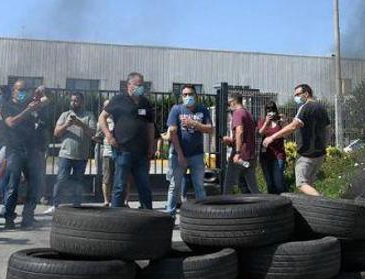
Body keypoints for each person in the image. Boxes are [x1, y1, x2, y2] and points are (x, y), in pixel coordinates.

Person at [99, 72, 155, 209]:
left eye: (142, 85)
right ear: (128, 85)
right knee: (120, 185)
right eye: (138, 85)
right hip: (123, 150)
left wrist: (151, 146)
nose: (140, 88)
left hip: (141, 152)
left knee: (144, 185)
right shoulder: (119, 99)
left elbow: (150, 125)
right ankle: (116, 216)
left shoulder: (145, 103)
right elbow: (102, 118)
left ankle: (148, 214)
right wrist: (109, 136)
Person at [262, 84, 329, 196]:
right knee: (309, 184)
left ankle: (324, 204)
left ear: (306, 94)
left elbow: (293, 126)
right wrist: (324, 146)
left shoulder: (305, 107)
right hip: (320, 154)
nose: (296, 97)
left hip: (306, 154)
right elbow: (328, 130)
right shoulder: (321, 108)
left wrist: (272, 137)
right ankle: (314, 209)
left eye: (298, 94)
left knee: (301, 183)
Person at [1, 80, 49, 229]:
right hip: (15, 150)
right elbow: (11, 123)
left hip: (32, 150)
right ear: (14, 90)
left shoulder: (30, 104)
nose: (23, 92)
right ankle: (9, 218)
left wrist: (41, 95)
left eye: (26, 89)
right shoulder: (7, 106)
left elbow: (46, 101)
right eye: (20, 89)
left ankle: (28, 217)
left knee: (34, 184)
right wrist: (27, 111)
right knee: (13, 185)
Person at [164, 85, 212, 216]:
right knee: (174, 186)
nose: (187, 97)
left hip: (197, 154)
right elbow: (172, 132)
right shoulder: (176, 109)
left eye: (190, 94)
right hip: (178, 154)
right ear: (181, 97)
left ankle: (204, 214)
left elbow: (210, 129)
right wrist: (180, 155)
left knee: (199, 186)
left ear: (195, 95)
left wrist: (195, 124)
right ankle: (169, 215)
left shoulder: (202, 110)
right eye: (184, 95)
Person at [48, 93, 95, 213]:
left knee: (78, 181)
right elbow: (56, 133)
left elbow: (92, 133)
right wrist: (66, 125)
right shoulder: (65, 115)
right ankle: (56, 204)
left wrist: (80, 124)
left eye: (77, 101)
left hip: (81, 155)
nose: (74, 103)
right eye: (72, 101)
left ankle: (76, 205)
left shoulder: (89, 115)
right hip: (65, 154)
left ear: (82, 102)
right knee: (61, 179)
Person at [222, 93, 259, 195]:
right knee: (253, 187)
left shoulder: (237, 113)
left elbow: (240, 131)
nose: (229, 107)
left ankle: (224, 209)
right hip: (249, 155)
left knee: (228, 186)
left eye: (229, 104)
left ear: (233, 102)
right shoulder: (248, 113)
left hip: (240, 156)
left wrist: (237, 153)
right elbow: (245, 135)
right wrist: (231, 140)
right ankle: (265, 207)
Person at [258, 102, 286, 194]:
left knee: (278, 181)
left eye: (273, 109)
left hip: (278, 155)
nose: (271, 112)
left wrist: (285, 122)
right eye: (268, 110)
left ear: (276, 110)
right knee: (269, 183)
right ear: (265, 111)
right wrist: (266, 122)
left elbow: (286, 134)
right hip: (265, 155)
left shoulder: (279, 121)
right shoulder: (262, 121)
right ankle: (272, 202)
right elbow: (260, 133)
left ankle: (283, 199)